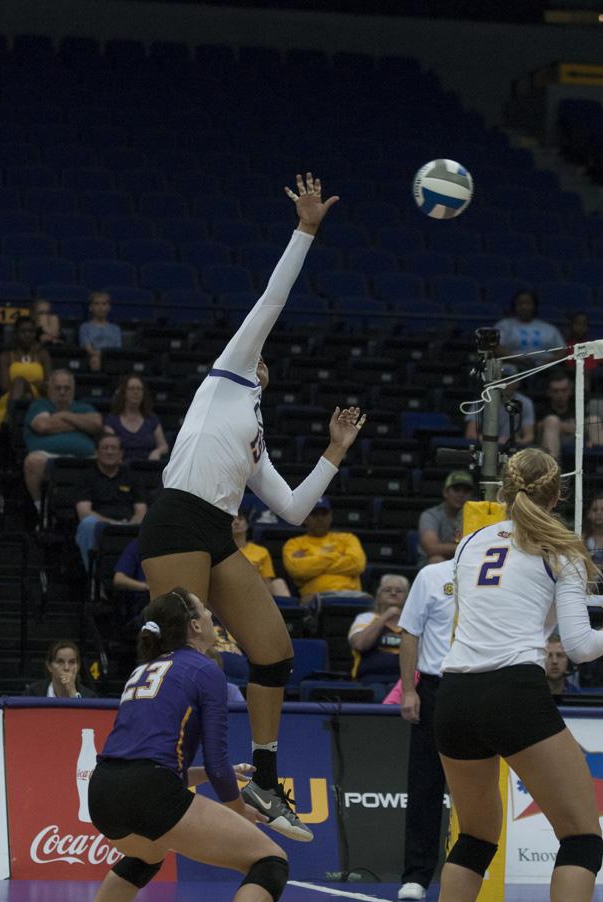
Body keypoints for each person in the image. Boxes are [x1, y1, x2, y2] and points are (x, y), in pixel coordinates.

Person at [137, 174, 365, 843]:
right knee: (181, 660)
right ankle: (154, 768)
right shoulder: (227, 374)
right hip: (177, 517)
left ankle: (264, 775)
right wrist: (306, 229)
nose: (259, 351)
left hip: (214, 529)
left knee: (274, 652)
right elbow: (274, 295)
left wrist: (334, 450)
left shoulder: (254, 432)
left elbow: (293, 509)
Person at [425, 448, 603, 902]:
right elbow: (582, 648)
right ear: (558, 494)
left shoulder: (470, 543)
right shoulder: (561, 549)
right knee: (583, 835)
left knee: (475, 834)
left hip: (455, 693)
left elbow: (490, 612)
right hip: (512, 692)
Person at [60, 587, 296, 902]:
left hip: (104, 789)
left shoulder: (146, 669)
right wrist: (238, 809)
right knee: (270, 860)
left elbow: (152, 762)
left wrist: (204, 776)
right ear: (193, 625)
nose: (212, 618)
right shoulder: (205, 669)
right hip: (147, 788)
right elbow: (217, 763)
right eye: (206, 612)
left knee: (146, 853)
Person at [396, 558, 455, 902]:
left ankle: (473, 869)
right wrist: (408, 689)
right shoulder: (432, 576)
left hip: (482, 682)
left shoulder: (503, 575)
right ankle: (417, 874)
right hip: (436, 685)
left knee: (479, 784)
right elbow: (410, 633)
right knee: (425, 783)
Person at [23, 369, 102, 507]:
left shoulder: (84, 406)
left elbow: (96, 424)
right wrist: (80, 424)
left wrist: (64, 415)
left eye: (66, 388)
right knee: (33, 462)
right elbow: (43, 426)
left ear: (73, 389)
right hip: (46, 455)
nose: (62, 392)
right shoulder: (39, 405)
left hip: (85, 457)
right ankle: (41, 510)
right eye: (58, 388)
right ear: (49, 389)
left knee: (108, 459)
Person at [75, 434, 147, 571]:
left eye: (114, 448)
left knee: (148, 524)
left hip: (128, 525)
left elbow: (141, 511)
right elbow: (84, 512)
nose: (109, 451)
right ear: (97, 452)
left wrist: (129, 524)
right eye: (105, 448)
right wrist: (112, 524)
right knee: (87, 524)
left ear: (121, 453)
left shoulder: (132, 476)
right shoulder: (86, 476)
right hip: (100, 526)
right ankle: (94, 579)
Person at [282, 496, 368, 601]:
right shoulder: (293, 544)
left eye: (324, 514)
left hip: (351, 594)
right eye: (314, 514)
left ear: (330, 516)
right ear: (305, 518)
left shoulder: (348, 538)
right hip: (315, 596)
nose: (320, 519)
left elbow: (357, 564)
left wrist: (313, 561)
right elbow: (298, 570)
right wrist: (337, 556)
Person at [348, 574, 409, 693]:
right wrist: (385, 616)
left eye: (399, 591)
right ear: (378, 595)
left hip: (404, 681)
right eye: (387, 590)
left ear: (407, 597)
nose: (393, 593)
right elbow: (360, 644)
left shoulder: (413, 623)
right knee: (377, 693)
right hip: (370, 679)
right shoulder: (365, 618)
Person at [0, 316, 51, 431]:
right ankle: (10, 417)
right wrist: (29, 385)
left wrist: (28, 385)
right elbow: (5, 387)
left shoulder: (43, 354)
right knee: (19, 382)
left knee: (20, 381)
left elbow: (48, 385)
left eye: (31, 331)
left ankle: (9, 420)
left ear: (35, 334)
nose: (27, 335)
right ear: (15, 334)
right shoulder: (6, 356)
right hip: (12, 397)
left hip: (38, 397)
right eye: (23, 331)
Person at [464, 368, 534, 451]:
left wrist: (516, 442)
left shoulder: (525, 402)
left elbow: (529, 436)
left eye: (510, 380)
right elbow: (470, 434)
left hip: (513, 449)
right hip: (486, 448)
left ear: (518, 383)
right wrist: (494, 441)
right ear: (495, 382)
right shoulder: (483, 400)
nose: (506, 384)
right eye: (503, 379)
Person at [103, 374, 169, 462]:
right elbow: (110, 447)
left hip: (148, 467)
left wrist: (157, 452)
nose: (136, 392)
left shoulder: (151, 419)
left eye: (139, 389)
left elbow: (164, 446)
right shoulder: (112, 421)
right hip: (123, 468)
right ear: (124, 393)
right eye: (131, 388)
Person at [495, 289, 566, 367]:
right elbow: (497, 348)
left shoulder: (549, 328)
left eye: (528, 303)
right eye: (520, 304)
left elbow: (561, 350)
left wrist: (552, 360)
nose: (524, 307)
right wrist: (518, 359)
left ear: (534, 306)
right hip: (513, 364)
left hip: (545, 367)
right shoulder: (504, 326)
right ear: (514, 306)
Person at [417, 471, 473, 567]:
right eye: (456, 489)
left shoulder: (475, 516)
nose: (461, 494)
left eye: (466, 491)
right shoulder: (430, 515)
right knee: (437, 560)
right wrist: (467, 547)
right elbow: (431, 548)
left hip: (464, 562)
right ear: (445, 492)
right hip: (431, 564)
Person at [231, 511, 290, 597]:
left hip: (257, 590)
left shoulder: (261, 551)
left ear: (247, 525)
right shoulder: (222, 549)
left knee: (279, 583)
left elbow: (267, 581)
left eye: (240, 519)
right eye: (232, 520)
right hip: (231, 588)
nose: (236, 522)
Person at [23, 640, 96, 698]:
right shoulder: (32, 694)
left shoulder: (90, 697)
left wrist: (72, 692)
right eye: (60, 662)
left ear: (78, 666)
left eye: (72, 662)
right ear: (49, 666)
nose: (66, 668)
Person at [79, 291, 122, 372]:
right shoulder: (84, 327)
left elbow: (117, 349)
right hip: (93, 358)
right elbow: (88, 349)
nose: (101, 307)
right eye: (97, 304)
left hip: (111, 358)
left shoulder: (115, 329)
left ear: (109, 307)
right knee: (95, 360)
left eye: (104, 304)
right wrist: (100, 356)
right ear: (90, 307)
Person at [537, 371, 575, 461]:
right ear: (549, 392)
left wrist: (557, 425)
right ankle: (553, 469)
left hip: (575, 443)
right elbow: (538, 429)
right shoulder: (541, 407)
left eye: (564, 390)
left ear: (570, 391)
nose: (560, 395)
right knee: (552, 420)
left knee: (594, 420)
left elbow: (583, 428)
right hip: (545, 446)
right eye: (555, 391)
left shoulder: (578, 405)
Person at [545, 633, 580, 698]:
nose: (554, 661)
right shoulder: (530, 695)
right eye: (548, 656)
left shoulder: (578, 697)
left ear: (569, 662)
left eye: (559, 655)